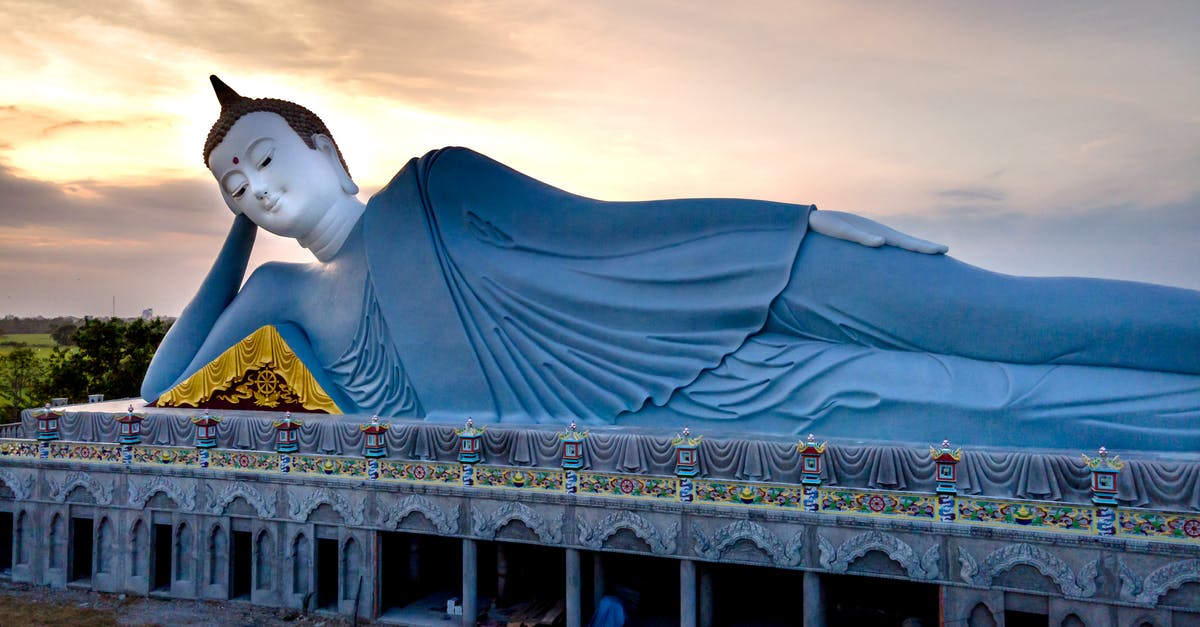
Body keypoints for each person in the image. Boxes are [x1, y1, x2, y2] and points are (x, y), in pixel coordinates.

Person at [142, 76, 1200, 451]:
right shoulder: (290, 297)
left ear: (327, 150)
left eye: (266, 159)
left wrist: (799, 222)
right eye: (232, 184)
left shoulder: (438, 186)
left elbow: (607, 225)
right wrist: (234, 242)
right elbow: (159, 392)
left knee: (1003, 319)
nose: (255, 188)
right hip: (734, 404)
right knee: (1003, 404)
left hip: (712, 284)